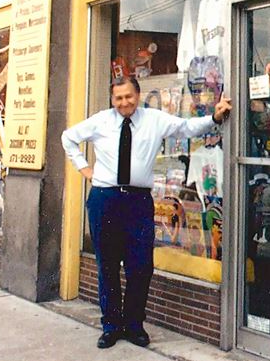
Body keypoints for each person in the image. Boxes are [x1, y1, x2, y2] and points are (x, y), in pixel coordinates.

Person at [61, 76, 231, 349]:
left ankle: (134, 325)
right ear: (112, 99)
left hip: (138, 202)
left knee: (140, 267)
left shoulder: (154, 120)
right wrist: (85, 170)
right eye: (118, 98)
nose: (124, 102)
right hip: (105, 199)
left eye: (128, 96)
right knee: (107, 267)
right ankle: (111, 326)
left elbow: (186, 128)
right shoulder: (101, 121)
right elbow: (68, 138)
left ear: (137, 95)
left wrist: (214, 116)